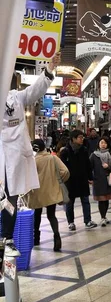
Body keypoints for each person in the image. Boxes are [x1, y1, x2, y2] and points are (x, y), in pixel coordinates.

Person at [1, 67, 54, 256]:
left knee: (11, 199)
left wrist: (49, 70)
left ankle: (7, 239)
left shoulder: (17, 97)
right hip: (2, 158)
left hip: (14, 159)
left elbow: (36, 90)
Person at [29, 139, 69, 252]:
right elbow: (65, 171)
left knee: (37, 215)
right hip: (51, 190)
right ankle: (56, 235)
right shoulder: (53, 158)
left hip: (37, 192)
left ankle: (36, 238)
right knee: (51, 215)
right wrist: (58, 181)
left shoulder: (33, 161)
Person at [60, 129, 97, 231]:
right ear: (74, 139)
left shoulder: (84, 150)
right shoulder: (65, 152)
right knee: (69, 202)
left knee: (85, 201)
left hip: (82, 180)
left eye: (82, 137)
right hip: (70, 181)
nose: (82, 139)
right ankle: (71, 222)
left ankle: (88, 221)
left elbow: (88, 165)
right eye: (80, 137)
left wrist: (90, 178)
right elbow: (61, 168)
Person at [89, 136, 111, 227]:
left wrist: (108, 166)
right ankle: (102, 217)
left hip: (108, 180)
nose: (103, 145)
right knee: (101, 200)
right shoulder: (94, 155)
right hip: (98, 181)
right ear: (98, 144)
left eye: (105, 143)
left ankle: (104, 216)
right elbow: (89, 167)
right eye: (101, 143)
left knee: (106, 199)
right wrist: (90, 178)